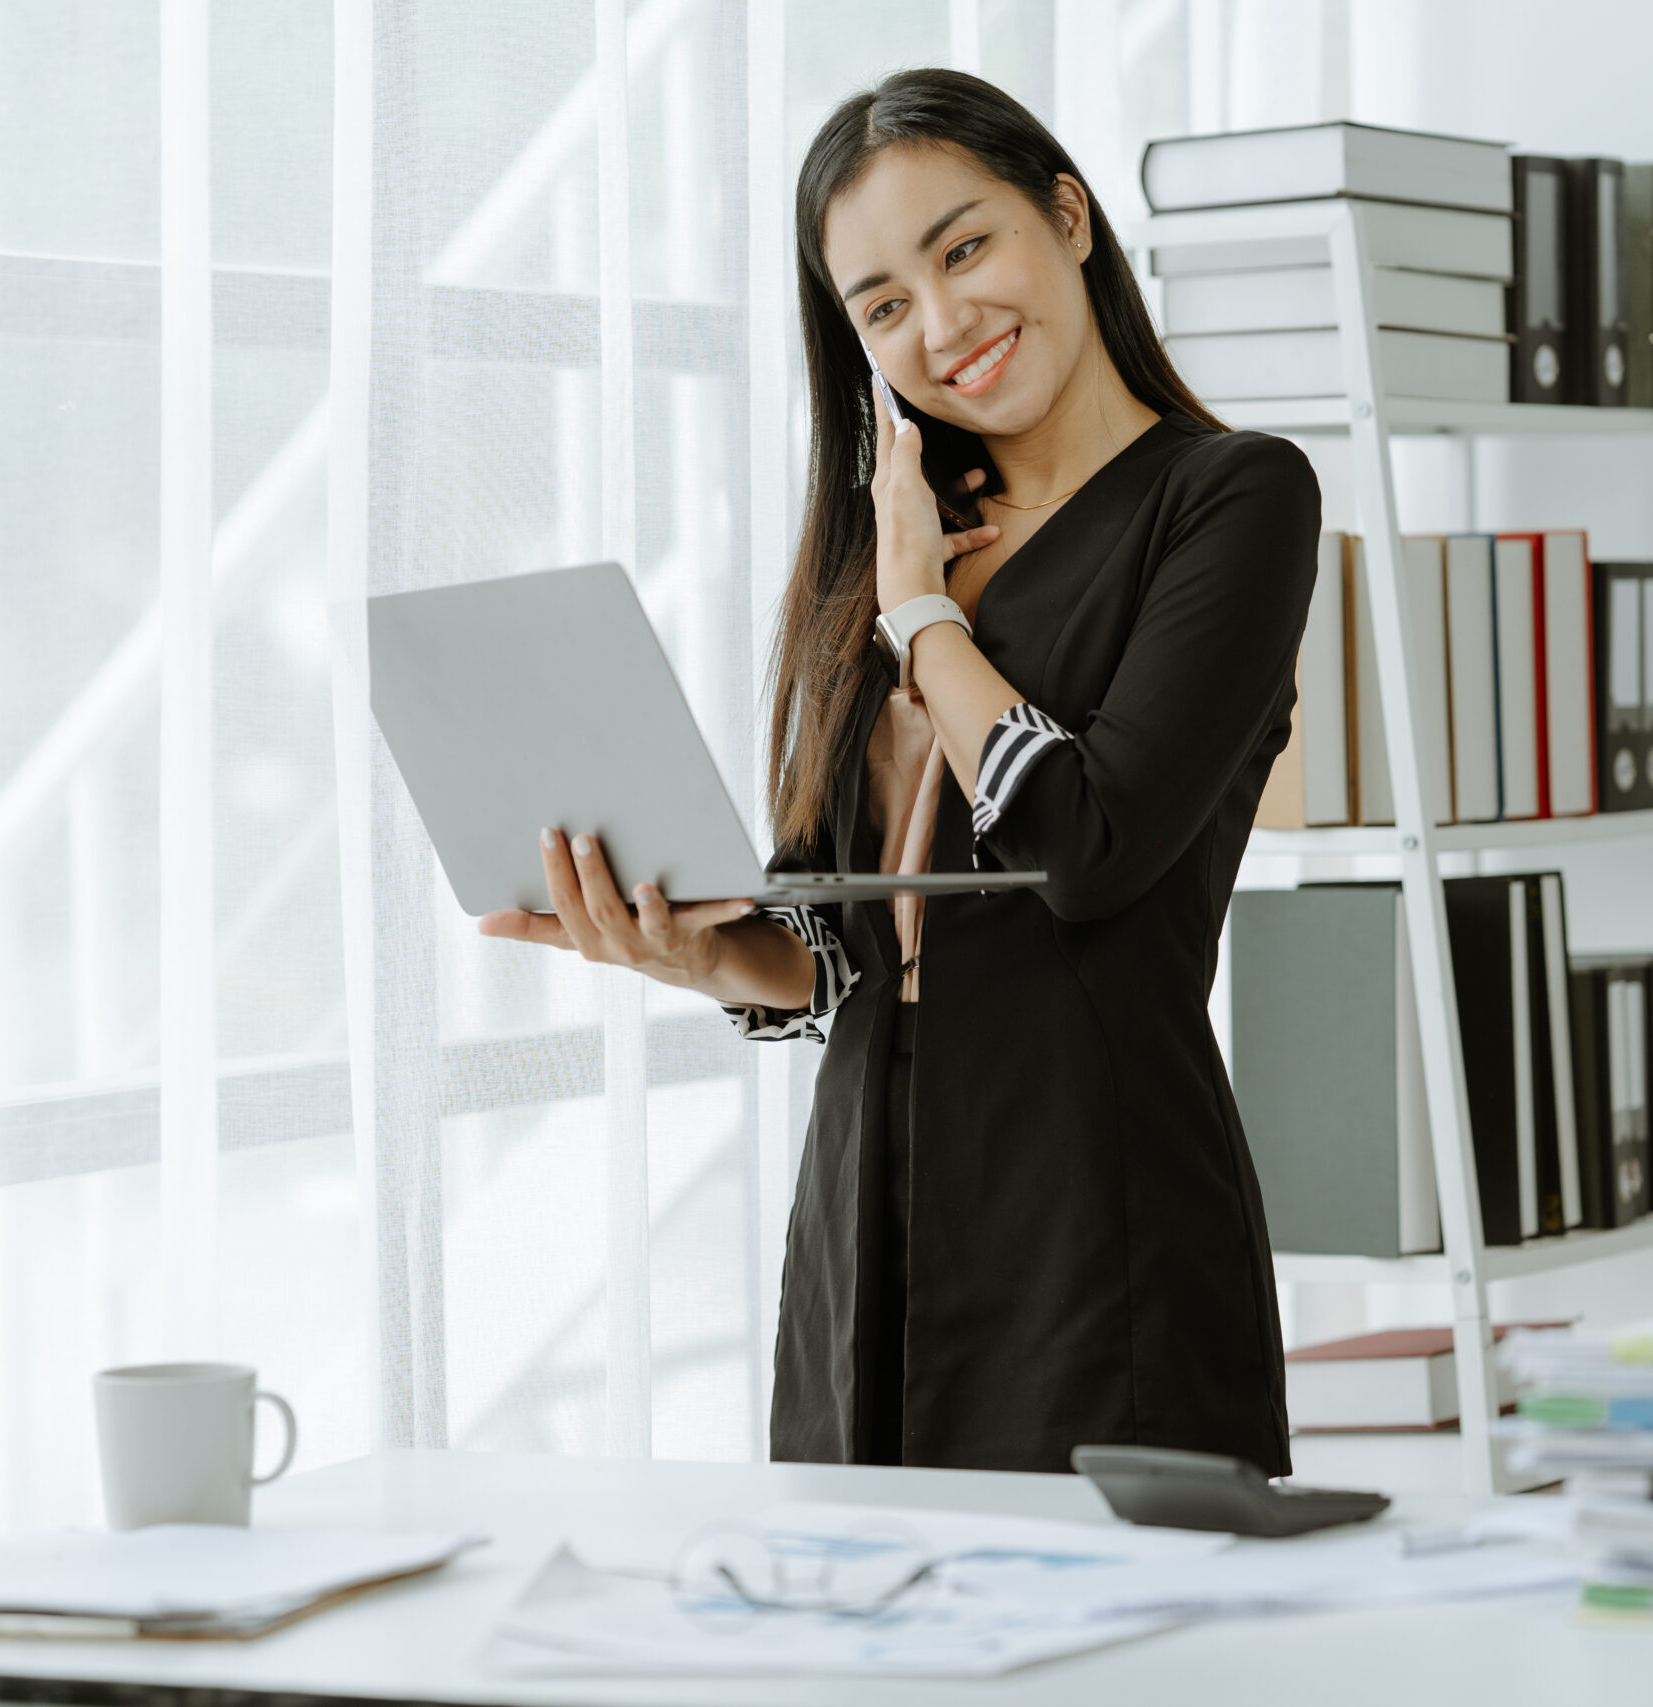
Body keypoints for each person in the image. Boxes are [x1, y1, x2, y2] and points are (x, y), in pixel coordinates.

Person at [478, 68, 1321, 1474]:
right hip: (863, 1219)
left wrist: (926, 617)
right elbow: (853, 943)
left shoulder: (1229, 498)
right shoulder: (894, 539)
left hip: (1097, 1217)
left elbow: (1088, 850)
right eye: (881, 305)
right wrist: (701, 955)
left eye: (965, 247)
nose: (941, 326)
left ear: (1067, 216)